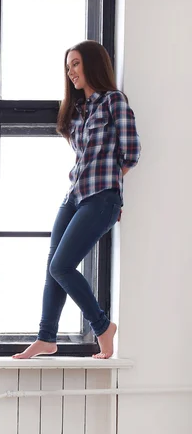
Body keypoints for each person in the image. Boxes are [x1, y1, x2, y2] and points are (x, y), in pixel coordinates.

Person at [14, 40, 141, 360]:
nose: (70, 72)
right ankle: (46, 337)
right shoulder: (78, 110)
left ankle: (102, 326)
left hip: (101, 198)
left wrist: (112, 193)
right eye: (68, 66)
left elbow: (132, 153)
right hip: (74, 196)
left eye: (76, 64)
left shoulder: (114, 102)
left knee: (62, 264)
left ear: (93, 65)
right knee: (53, 266)